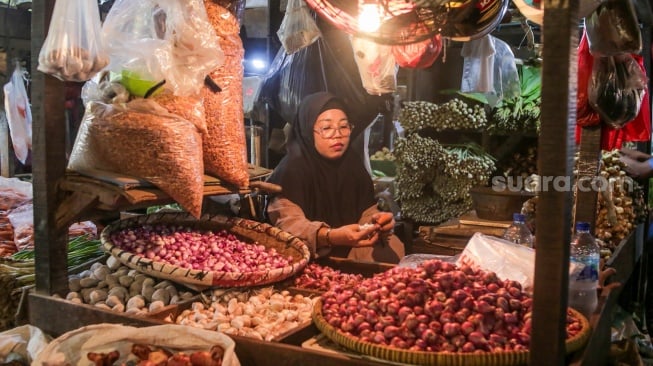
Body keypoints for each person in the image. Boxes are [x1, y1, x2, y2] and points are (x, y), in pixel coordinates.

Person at [266, 92, 405, 263]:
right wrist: (329, 236)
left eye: (344, 126)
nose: (337, 134)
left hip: (352, 248)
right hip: (308, 255)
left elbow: (366, 212)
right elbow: (289, 224)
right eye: (326, 128)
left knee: (392, 248)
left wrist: (377, 222)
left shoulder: (351, 164)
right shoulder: (292, 169)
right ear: (308, 130)